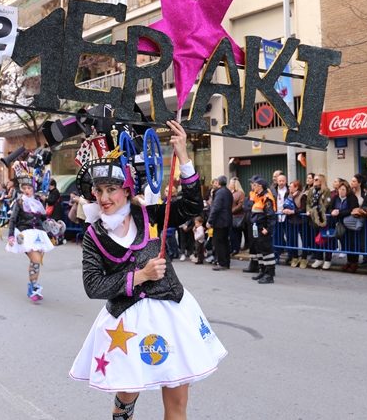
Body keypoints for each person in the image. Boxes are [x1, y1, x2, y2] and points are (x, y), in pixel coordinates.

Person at [69, 121, 226, 419]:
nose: (104, 198)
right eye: (99, 190)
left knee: (178, 401)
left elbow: (192, 205)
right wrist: (139, 276)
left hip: (171, 313)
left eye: (112, 189)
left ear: (127, 190)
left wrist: (183, 156)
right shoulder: (95, 236)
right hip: (125, 323)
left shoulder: (150, 215)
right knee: (127, 396)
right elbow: (93, 286)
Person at [6, 162, 55, 301]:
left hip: (38, 233)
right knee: (36, 259)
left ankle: (33, 286)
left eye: (29, 187)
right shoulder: (19, 202)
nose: (27, 190)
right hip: (24, 234)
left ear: (34, 188)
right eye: (24, 188)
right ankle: (32, 288)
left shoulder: (38, 202)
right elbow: (13, 220)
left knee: (36, 262)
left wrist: (51, 222)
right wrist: (10, 236)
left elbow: (43, 217)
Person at [244, 174, 278, 283]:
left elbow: (271, 216)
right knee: (259, 250)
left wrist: (267, 228)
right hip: (256, 227)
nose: (252, 186)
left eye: (254, 184)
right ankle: (262, 271)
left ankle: (269, 275)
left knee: (267, 251)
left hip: (262, 228)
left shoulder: (266, 198)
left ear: (260, 186)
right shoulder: (257, 196)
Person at [326, 181, 360, 272]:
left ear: (347, 190)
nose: (341, 191)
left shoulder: (351, 198)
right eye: (340, 189)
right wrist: (332, 212)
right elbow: (330, 208)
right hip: (340, 223)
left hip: (350, 223)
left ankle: (354, 262)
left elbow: (352, 210)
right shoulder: (336, 198)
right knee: (345, 242)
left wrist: (339, 213)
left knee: (352, 242)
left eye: (343, 189)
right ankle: (348, 261)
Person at [207, 175, 233, 271]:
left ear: (218, 183)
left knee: (219, 242)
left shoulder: (220, 193)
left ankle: (222, 263)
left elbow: (216, 207)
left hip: (220, 221)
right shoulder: (228, 192)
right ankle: (226, 262)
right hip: (226, 220)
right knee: (225, 242)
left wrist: (210, 220)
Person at [305, 174, 331, 269]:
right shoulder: (311, 190)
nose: (314, 181)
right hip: (313, 218)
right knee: (316, 239)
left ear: (321, 181)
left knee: (326, 239)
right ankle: (319, 258)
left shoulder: (326, 191)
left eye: (316, 179)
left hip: (323, 217)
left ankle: (327, 260)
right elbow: (308, 203)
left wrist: (313, 210)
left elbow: (326, 204)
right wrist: (308, 210)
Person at [283, 180, 309, 268]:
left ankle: (304, 258)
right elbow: (286, 205)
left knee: (304, 240)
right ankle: (295, 257)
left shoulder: (303, 196)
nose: (289, 188)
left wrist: (292, 211)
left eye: (291, 186)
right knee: (292, 239)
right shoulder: (288, 196)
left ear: (296, 187)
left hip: (302, 222)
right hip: (291, 221)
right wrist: (285, 210)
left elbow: (303, 209)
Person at [272, 173, 289, 264]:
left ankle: (290, 255)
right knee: (276, 236)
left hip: (287, 216)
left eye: (283, 181)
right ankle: (276, 255)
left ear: (286, 181)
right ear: (277, 182)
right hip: (276, 216)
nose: (281, 182)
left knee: (289, 235)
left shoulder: (289, 190)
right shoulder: (273, 190)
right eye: (280, 181)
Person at [229, 177, 245, 258]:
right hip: (231, 216)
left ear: (234, 185)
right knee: (232, 233)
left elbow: (240, 205)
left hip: (237, 216)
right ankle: (233, 247)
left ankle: (236, 248)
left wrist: (232, 211)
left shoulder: (240, 193)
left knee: (235, 233)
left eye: (230, 184)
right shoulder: (230, 193)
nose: (229, 185)